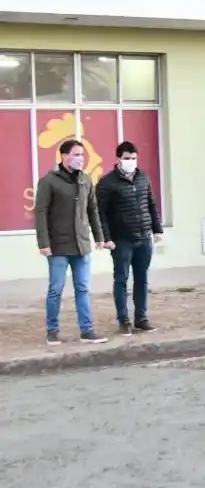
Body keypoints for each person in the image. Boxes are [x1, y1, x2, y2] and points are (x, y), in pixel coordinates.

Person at [34, 139, 109, 346]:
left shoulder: (85, 180)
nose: (80, 159)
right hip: (58, 246)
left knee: (83, 288)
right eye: (76, 155)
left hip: (81, 245)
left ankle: (87, 330)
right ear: (64, 156)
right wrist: (43, 242)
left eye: (82, 155)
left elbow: (92, 210)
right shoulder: (49, 181)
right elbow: (40, 213)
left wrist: (99, 237)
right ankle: (52, 331)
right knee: (55, 289)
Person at [97, 141, 163, 336]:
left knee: (142, 279)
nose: (131, 161)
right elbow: (101, 213)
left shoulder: (143, 178)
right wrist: (106, 238)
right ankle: (123, 320)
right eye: (127, 158)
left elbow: (151, 204)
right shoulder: (107, 183)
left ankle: (141, 318)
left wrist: (157, 229)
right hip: (121, 240)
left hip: (144, 237)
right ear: (118, 159)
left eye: (134, 158)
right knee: (121, 279)